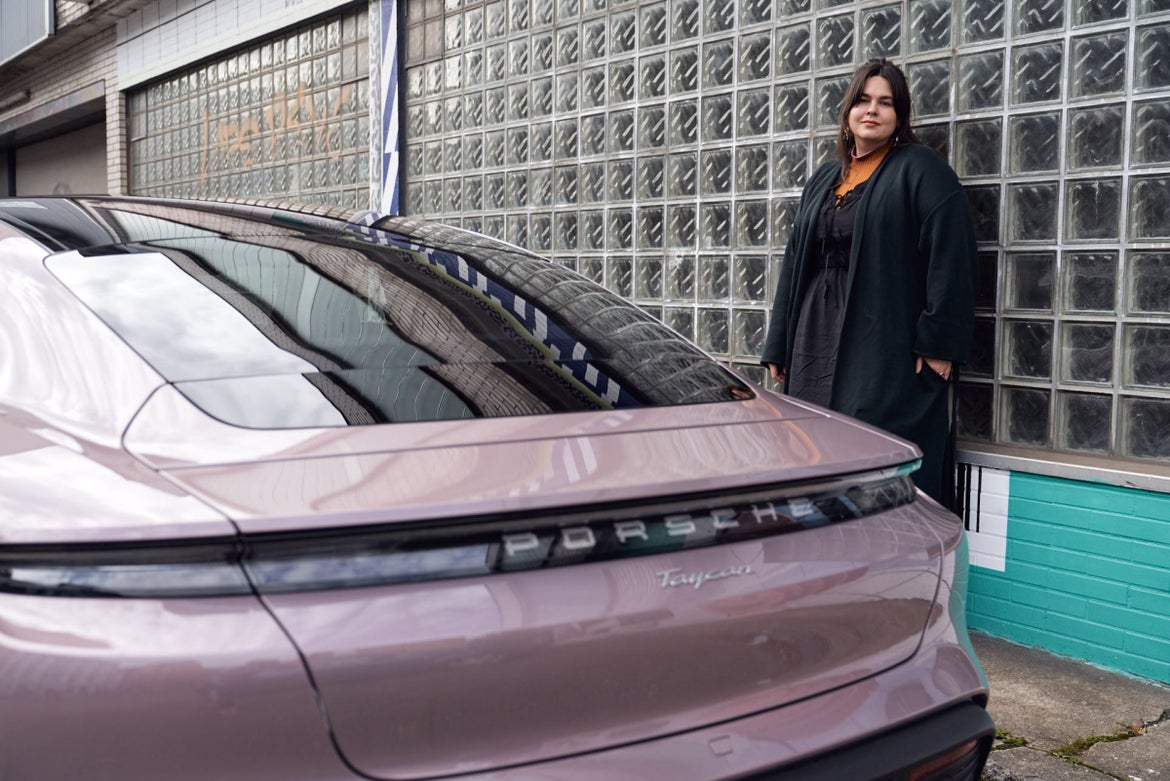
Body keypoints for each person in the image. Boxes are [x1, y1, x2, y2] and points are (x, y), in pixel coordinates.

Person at [761, 58, 978, 507]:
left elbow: (952, 256)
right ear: (848, 112)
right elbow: (795, 259)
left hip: (880, 339)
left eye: (885, 102)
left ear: (900, 116)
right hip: (813, 336)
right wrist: (778, 344)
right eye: (862, 100)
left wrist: (940, 342)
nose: (871, 110)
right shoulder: (825, 178)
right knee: (811, 443)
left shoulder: (921, 170)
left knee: (870, 450)